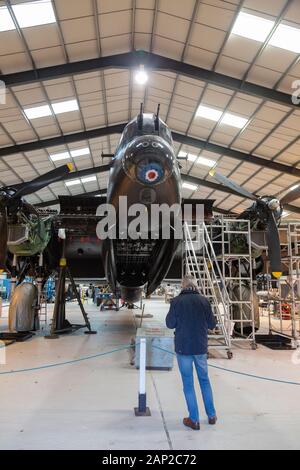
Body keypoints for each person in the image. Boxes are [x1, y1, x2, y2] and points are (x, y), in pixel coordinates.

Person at [166, 275, 217, 430]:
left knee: (188, 383)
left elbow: (170, 324)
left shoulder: (176, 302)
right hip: (200, 347)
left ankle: (193, 419)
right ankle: (212, 415)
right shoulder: (204, 300)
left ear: (183, 285)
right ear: (195, 285)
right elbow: (212, 324)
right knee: (204, 380)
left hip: (184, 348)